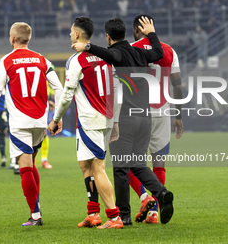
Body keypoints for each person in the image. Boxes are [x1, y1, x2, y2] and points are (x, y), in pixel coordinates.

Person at [72, 17, 174, 225]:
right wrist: (151, 33)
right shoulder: (139, 53)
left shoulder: (117, 54)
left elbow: (108, 54)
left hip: (125, 119)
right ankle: (161, 193)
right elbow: (158, 53)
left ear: (108, 36)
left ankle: (124, 217)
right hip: (144, 117)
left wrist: (88, 46)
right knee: (137, 163)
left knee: (120, 168)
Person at [48, 17, 123, 229]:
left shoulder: (76, 60)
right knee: (85, 165)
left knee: (98, 167)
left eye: (71, 32)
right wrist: (115, 120)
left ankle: (114, 216)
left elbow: (67, 94)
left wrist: (56, 120)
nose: (70, 35)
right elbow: (116, 89)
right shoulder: (105, 56)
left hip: (91, 119)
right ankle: (93, 213)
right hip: (104, 118)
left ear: (78, 35)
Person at [0, 22, 63, 226]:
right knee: (31, 164)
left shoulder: (6, 61)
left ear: (12, 38)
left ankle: (36, 216)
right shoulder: (42, 60)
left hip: (20, 121)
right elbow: (59, 88)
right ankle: (36, 209)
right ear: (28, 39)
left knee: (25, 167)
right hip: (41, 121)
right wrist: (58, 117)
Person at [128, 14, 184, 224]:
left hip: (138, 112)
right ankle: (155, 211)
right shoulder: (169, 50)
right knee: (158, 161)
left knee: (131, 162)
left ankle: (145, 198)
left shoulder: (132, 49)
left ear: (136, 29)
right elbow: (177, 85)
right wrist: (178, 115)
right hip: (163, 109)